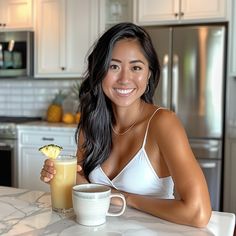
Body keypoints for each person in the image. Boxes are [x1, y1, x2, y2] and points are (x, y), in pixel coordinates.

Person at [40, 22, 211, 227]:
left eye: (136, 67)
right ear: (100, 71)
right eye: (114, 66)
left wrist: (125, 198)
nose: (124, 78)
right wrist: (60, 175)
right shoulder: (92, 121)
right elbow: (83, 186)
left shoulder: (163, 124)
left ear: (148, 73)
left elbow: (198, 213)